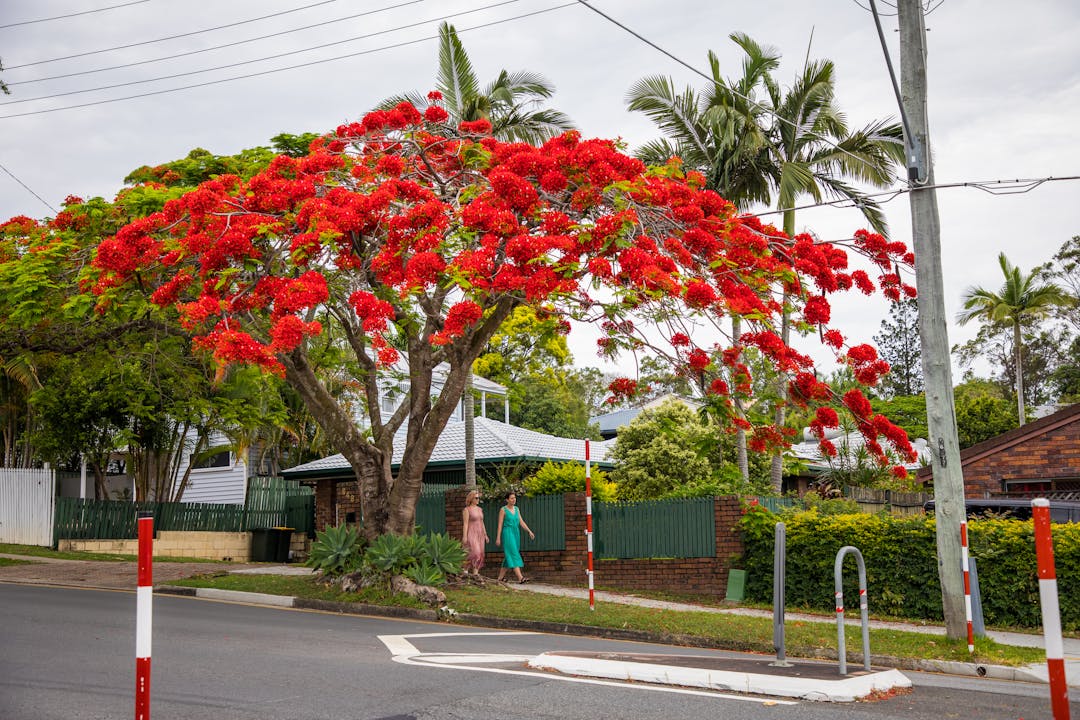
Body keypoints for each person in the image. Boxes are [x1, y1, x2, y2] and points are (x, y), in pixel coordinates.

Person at [496, 491, 535, 583]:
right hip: (507, 533)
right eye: (511, 498)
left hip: (516, 533)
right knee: (513, 553)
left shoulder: (517, 509)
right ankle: (520, 578)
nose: (514, 500)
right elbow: (500, 525)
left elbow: (521, 522)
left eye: (514, 498)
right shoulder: (503, 510)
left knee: (509, 555)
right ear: (507, 500)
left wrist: (529, 531)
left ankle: (500, 578)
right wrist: (498, 537)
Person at [461, 489, 488, 576]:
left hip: (480, 533)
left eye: (478, 498)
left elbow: (482, 522)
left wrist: (485, 534)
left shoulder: (480, 509)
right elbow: (465, 524)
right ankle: (465, 570)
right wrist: (464, 536)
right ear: (471, 499)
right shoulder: (467, 510)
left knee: (480, 553)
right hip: (471, 533)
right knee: (474, 552)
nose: (478, 500)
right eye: (476, 498)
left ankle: (475, 574)